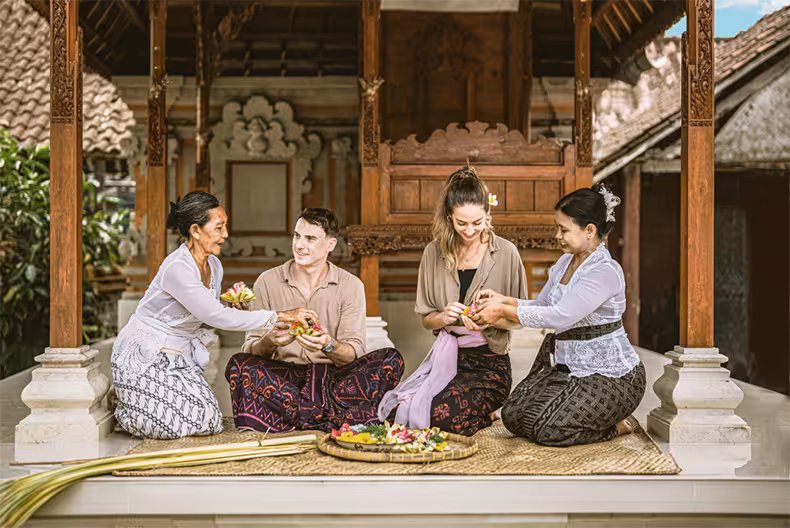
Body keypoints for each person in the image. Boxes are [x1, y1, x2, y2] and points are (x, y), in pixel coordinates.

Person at [111, 191, 316, 440]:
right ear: (196, 230)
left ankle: (140, 402)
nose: (225, 234)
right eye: (219, 227)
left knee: (209, 421)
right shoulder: (178, 268)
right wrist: (280, 316)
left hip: (178, 357)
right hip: (146, 354)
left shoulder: (214, 266)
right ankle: (126, 410)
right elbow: (215, 316)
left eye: (225, 226)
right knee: (174, 426)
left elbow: (207, 308)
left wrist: (237, 308)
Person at [472, 183, 646, 447]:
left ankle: (616, 426)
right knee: (514, 416)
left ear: (589, 230)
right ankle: (580, 410)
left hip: (612, 377)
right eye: (557, 228)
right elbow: (542, 304)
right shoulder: (565, 262)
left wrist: (502, 311)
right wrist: (501, 300)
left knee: (549, 430)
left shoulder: (604, 271)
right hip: (569, 370)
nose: (557, 235)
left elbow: (560, 316)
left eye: (564, 229)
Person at [377, 167, 528, 436]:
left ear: (488, 214)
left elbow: (521, 317)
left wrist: (491, 318)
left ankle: (493, 412)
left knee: (442, 418)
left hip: (488, 365)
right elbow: (427, 320)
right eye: (461, 223)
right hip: (444, 360)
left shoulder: (507, 252)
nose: (470, 230)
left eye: (477, 222)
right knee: (395, 412)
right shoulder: (432, 253)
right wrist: (443, 317)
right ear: (449, 216)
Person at [226, 208, 404, 433]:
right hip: (285, 380)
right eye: (297, 236)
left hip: (334, 380)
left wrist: (328, 345)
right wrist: (270, 340)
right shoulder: (267, 281)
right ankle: (333, 418)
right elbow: (251, 351)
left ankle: (296, 417)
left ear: (330, 244)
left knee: (391, 360)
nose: (300, 245)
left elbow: (353, 354)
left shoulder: (351, 285)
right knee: (239, 365)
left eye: (310, 238)